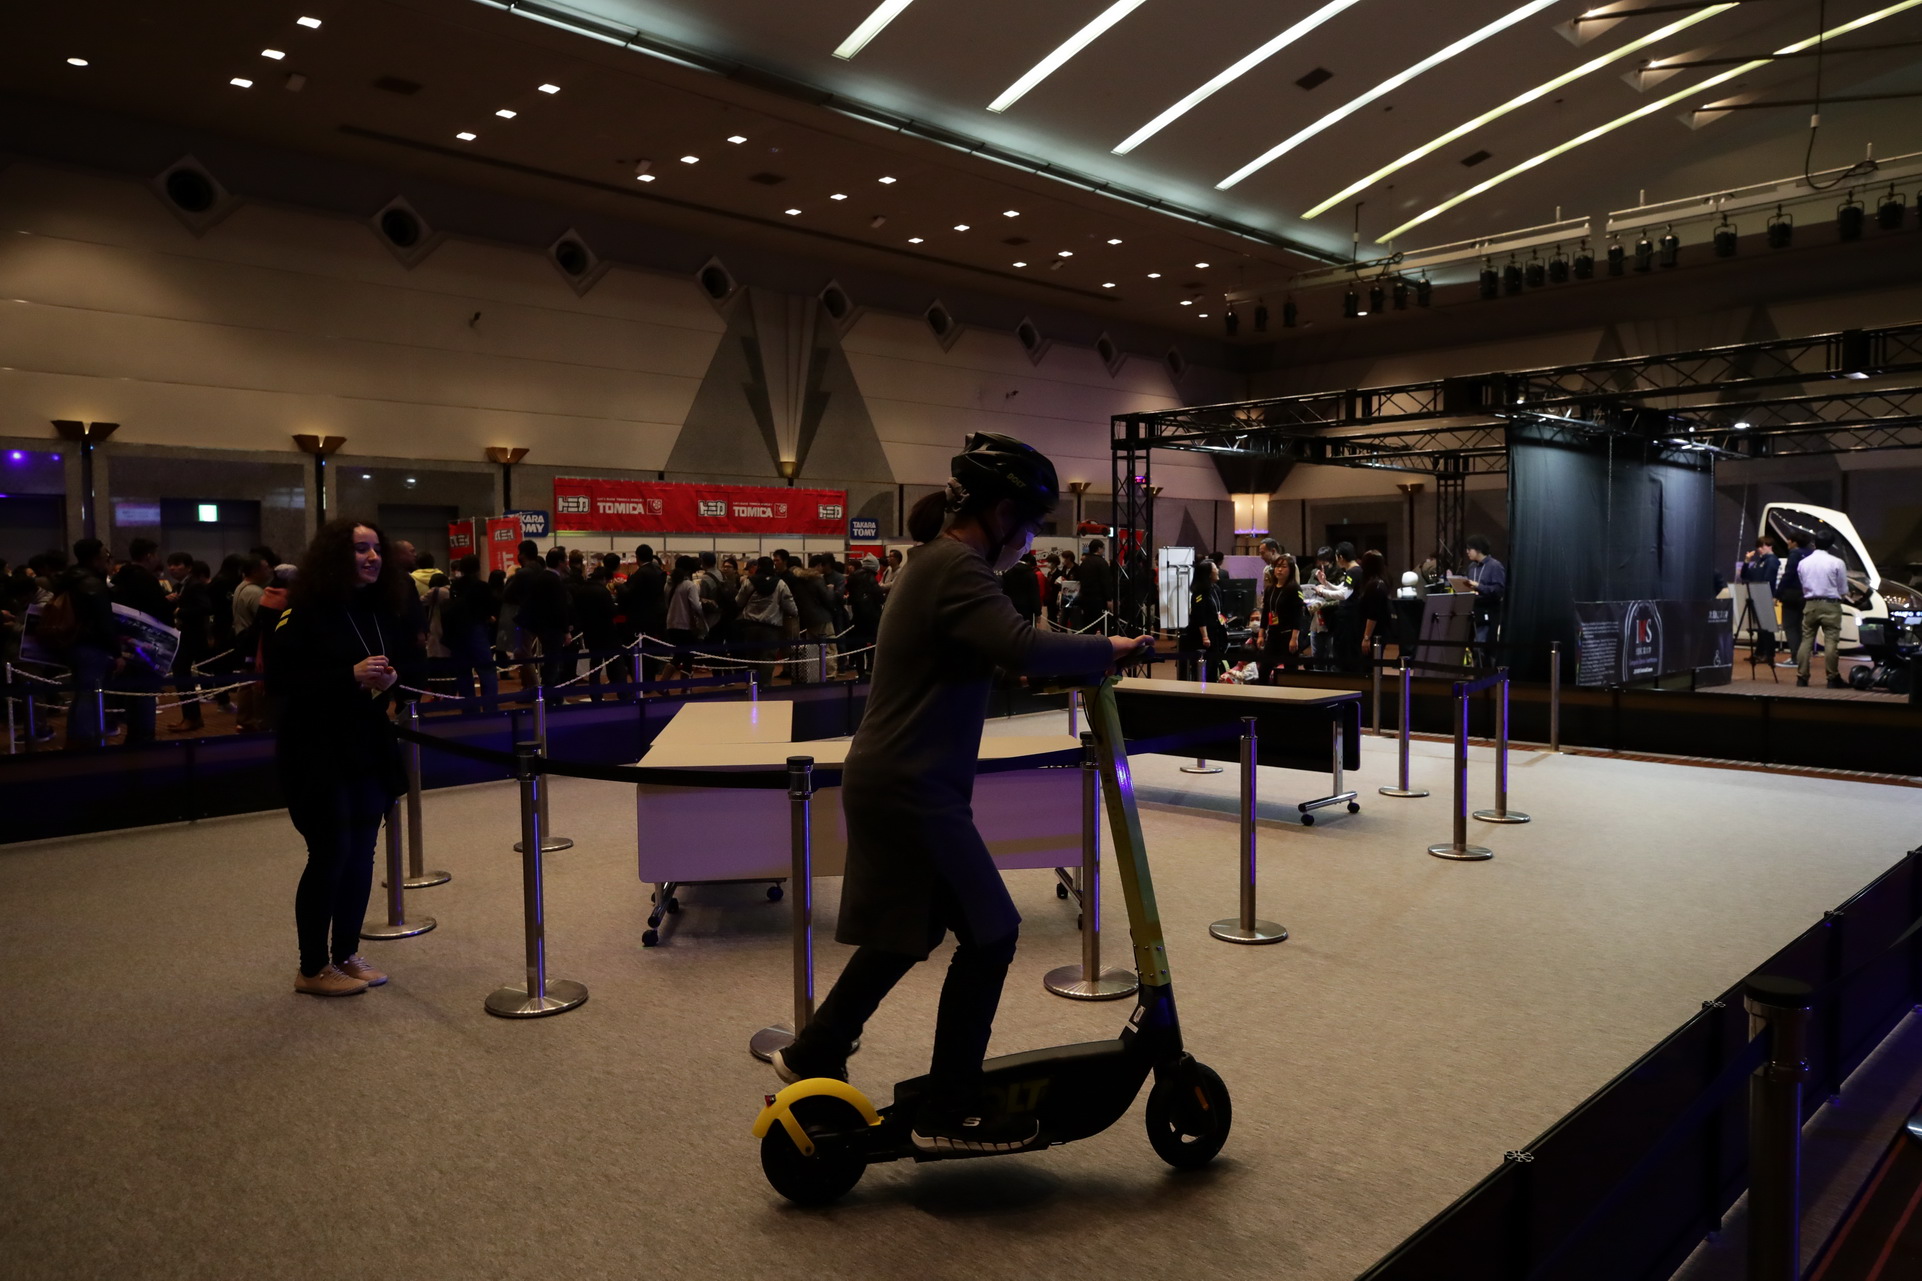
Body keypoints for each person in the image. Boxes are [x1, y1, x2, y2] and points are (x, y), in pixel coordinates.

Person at [770, 432, 1146, 1153]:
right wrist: (1111, 648)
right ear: (1002, 511)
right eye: (1030, 521)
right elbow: (1022, 645)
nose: (1032, 539)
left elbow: (995, 658)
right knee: (994, 929)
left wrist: (1061, 666)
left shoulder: (940, 567)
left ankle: (818, 1048)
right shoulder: (956, 567)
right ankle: (950, 1105)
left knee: (912, 930)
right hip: (913, 788)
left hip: (902, 780)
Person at [268, 518, 422, 997]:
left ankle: (346, 954)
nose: (372, 557)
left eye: (376, 548)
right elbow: (282, 685)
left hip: (367, 746)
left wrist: (389, 680)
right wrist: (349, 675)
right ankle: (311, 967)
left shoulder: (380, 610)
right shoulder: (304, 612)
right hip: (316, 750)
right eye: (360, 548)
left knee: (361, 853)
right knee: (330, 853)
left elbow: (403, 667)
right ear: (336, 555)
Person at [53, 539, 119, 747]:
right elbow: (104, 621)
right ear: (95, 558)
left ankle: (77, 738)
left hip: (72, 642)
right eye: (105, 556)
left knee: (82, 693)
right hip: (91, 645)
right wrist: (116, 652)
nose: (106, 561)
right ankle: (85, 741)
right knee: (89, 694)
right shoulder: (92, 584)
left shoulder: (69, 579)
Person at [503, 539, 569, 703]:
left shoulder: (525, 573)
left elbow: (507, 594)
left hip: (530, 621)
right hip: (545, 623)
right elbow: (560, 606)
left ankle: (535, 690)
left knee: (526, 655)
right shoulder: (544, 574)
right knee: (547, 661)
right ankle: (540, 692)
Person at [1795, 534, 1850, 688]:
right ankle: (1832, 678)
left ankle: (1802, 677)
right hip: (1831, 604)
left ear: (1814, 543)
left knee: (1806, 640)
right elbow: (1843, 588)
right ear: (1831, 545)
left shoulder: (1803, 562)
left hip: (1810, 604)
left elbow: (1803, 583)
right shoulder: (1837, 562)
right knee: (1831, 641)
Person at [443, 554, 499, 702]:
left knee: (463, 672)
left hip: (458, 632)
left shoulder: (456, 585)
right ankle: (490, 706)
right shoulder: (481, 586)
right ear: (477, 568)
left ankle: (468, 708)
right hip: (477, 629)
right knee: (486, 670)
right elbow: (489, 607)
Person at [167, 561, 215, 733]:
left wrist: (180, 612)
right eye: (170, 564)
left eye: (177, 564)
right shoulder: (179, 585)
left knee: (182, 676)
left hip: (192, 638)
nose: (172, 567)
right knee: (181, 676)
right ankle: (191, 717)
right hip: (183, 636)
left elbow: (206, 607)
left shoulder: (194, 585)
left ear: (188, 568)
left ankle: (191, 718)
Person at [735, 556, 796, 667]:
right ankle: (765, 683)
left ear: (758, 566)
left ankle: (753, 683)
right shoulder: (780, 583)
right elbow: (789, 603)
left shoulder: (749, 582)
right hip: (771, 627)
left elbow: (739, 601)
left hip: (750, 626)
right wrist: (795, 613)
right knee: (768, 658)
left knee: (752, 657)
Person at [1178, 559, 1228, 680]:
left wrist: (1224, 626)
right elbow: (1199, 616)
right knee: (1205, 667)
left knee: (1214, 665)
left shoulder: (1216, 589)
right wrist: (1205, 636)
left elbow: (1219, 611)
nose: (1218, 570)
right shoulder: (1199, 594)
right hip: (1203, 635)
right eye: (1215, 568)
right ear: (1209, 573)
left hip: (1216, 632)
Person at [1259, 553, 1304, 683]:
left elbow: (1298, 615)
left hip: (1288, 635)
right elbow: (1266, 612)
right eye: (1277, 566)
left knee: (1290, 671)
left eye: (1283, 567)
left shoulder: (1294, 588)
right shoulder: (1270, 589)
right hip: (1273, 634)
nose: (1279, 569)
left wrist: (1294, 638)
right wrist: (1261, 634)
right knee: (1264, 669)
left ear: (1290, 570)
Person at [1462, 535, 1507, 663]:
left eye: (1469, 549)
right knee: (1472, 645)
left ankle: (1484, 675)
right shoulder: (1471, 567)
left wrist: (1478, 586)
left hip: (1488, 610)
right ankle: (1477, 672)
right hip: (1473, 610)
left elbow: (1499, 590)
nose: (1467, 552)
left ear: (1478, 549)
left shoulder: (1495, 566)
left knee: (1481, 645)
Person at [1775, 532, 1809, 670]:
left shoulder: (1794, 554)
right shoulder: (1811, 553)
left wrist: (1777, 593)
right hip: (1806, 594)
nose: (1787, 542)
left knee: (1790, 626)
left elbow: (1788, 575)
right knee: (1802, 627)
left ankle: (1795, 658)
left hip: (1791, 594)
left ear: (1794, 542)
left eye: (1789, 540)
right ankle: (1804, 657)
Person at [1355, 550, 1393, 661]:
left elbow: (1373, 614)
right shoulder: (1382, 581)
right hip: (1378, 631)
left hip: (1374, 634)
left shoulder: (1375, 585)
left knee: (1370, 664)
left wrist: (1366, 637)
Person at [1075, 538, 1114, 632]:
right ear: (1099, 549)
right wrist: (1109, 598)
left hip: (1085, 599)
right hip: (1099, 600)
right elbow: (1105, 582)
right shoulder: (1102, 563)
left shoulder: (1084, 563)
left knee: (1088, 627)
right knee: (1105, 627)